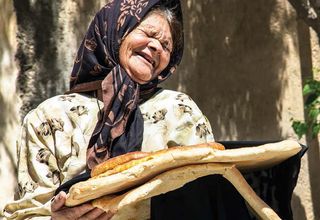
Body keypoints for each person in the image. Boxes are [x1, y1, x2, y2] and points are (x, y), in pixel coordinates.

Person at [3, 0, 214, 219]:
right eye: (148, 34)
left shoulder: (180, 112)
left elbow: (209, 198)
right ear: (115, 30)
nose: (156, 47)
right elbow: (28, 212)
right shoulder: (51, 117)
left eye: (166, 46)